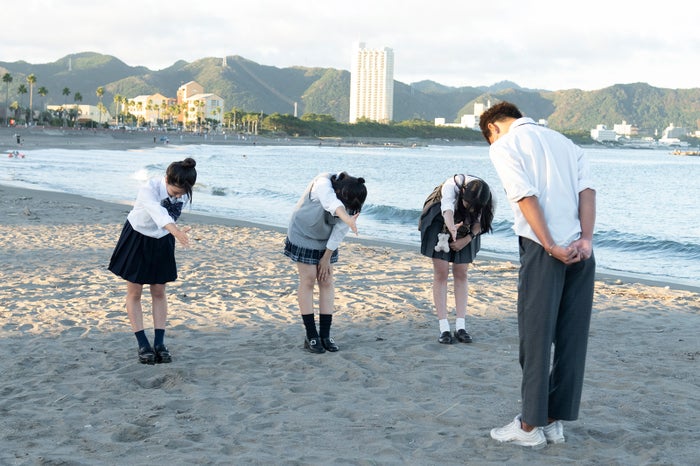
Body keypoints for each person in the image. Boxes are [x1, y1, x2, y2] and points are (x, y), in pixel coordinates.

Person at [479, 102, 596, 449]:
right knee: (571, 340)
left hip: (544, 248)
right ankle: (552, 421)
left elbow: (524, 195)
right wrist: (586, 240)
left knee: (536, 338)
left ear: (493, 128)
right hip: (581, 250)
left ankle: (529, 427)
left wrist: (549, 244)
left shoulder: (504, 145)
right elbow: (586, 193)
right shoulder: (566, 142)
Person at [108, 158, 198, 365]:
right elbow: (157, 212)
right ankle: (142, 344)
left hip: (163, 239)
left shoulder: (183, 194)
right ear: (166, 179)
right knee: (135, 292)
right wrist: (176, 231)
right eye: (174, 193)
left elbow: (169, 216)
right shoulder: (148, 188)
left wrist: (176, 230)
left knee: (159, 291)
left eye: (182, 194)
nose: (178, 197)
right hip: (138, 237)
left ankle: (159, 343)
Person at [284, 172, 367, 354]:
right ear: (338, 191)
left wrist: (326, 257)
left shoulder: (353, 198)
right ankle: (311, 335)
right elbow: (333, 204)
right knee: (309, 279)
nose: (349, 209)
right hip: (303, 233)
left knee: (326, 280)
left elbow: (339, 230)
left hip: (325, 238)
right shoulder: (322, 184)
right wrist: (347, 219)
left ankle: (325, 335)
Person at [419, 174, 494, 344]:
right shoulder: (451, 187)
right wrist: (452, 229)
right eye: (468, 204)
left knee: (461, 272)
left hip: (468, 226)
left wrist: (466, 239)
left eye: (475, 208)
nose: (471, 208)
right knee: (441, 272)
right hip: (440, 217)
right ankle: (444, 328)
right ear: (462, 194)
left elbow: (481, 223)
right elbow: (447, 210)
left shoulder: (488, 197)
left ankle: (461, 326)